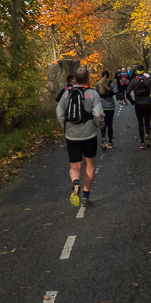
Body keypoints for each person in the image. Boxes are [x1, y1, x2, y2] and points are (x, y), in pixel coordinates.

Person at [56, 65, 104, 207]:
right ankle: (86, 197)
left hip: (72, 136)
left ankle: (75, 182)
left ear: (75, 79)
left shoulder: (66, 94)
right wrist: (98, 126)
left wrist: (65, 127)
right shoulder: (93, 94)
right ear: (88, 80)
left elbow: (59, 113)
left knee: (75, 165)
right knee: (89, 165)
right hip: (89, 135)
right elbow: (98, 115)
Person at [128, 63, 151, 149]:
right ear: (144, 71)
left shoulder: (134, 81)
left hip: (138, 103)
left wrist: (132, 101)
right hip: (147, 102)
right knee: (147, 121)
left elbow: (127, 93)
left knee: (140, 123)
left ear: (137, 71)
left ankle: (142, 143)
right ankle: (147, 135)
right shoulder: (148, 80)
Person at [96, 70, 117, 149]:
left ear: (101, 75)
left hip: (101, 106)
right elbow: (116, 93)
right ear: (108, 75)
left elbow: (95, 94)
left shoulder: (98, 84)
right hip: (110, 106)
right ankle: (110, 141)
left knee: (103, 124)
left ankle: (103, 138)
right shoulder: (112, 84)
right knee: (110, 124)